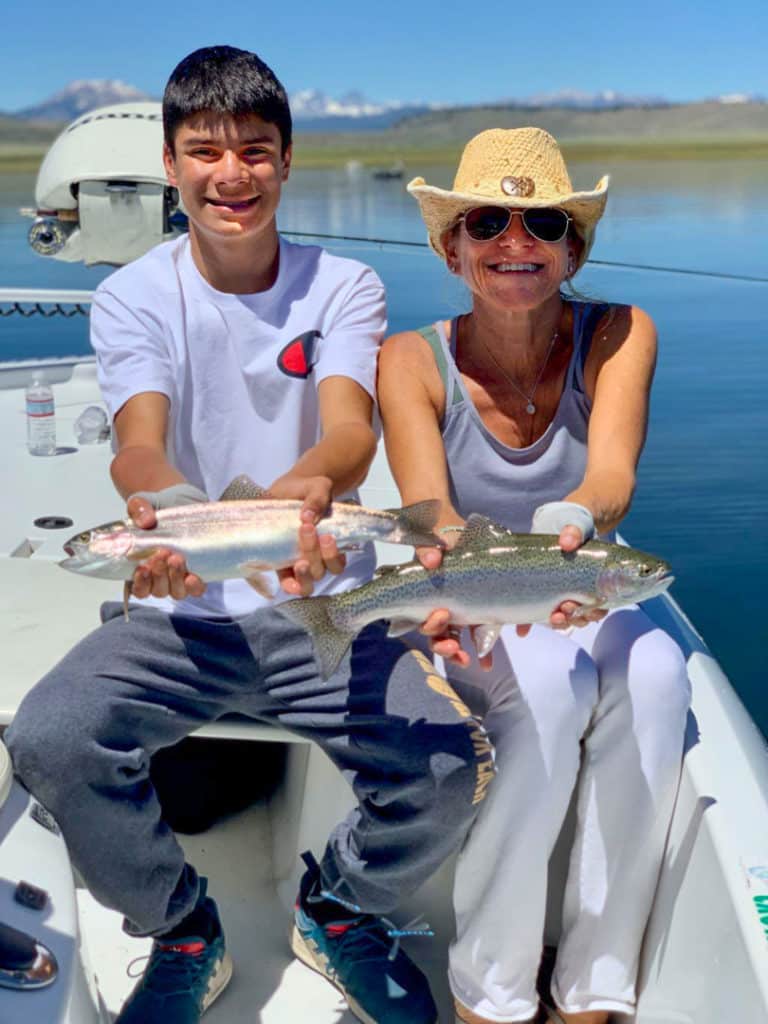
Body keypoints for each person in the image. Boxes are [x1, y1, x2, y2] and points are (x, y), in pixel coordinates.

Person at [5, 47, 494, 1024]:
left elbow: (350, 428)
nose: (232, 175)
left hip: (325, 603)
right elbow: (138, 445)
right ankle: (184, 928)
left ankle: (340, 905)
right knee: (49, 737)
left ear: (287, 159)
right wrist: (169, 517)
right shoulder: (134, 296)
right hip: (183, 614)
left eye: (255, 151)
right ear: (170, 163)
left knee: (447, 765)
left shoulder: (344, 285)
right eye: (205, 152)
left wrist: (312, 491)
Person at [377, 127, 691, 1024]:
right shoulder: (408, 359)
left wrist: (572, 522)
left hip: (581, 572)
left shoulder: (621, 332)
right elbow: (431, 513)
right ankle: (491, 990)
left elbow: (612, 476)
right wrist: (457, 581)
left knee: (660, 674)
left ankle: (594, 985)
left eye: (544, 223)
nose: (515, 242)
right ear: (451, 247)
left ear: (573, 248)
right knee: (552, 692)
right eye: (487, 222)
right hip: (476, 595)